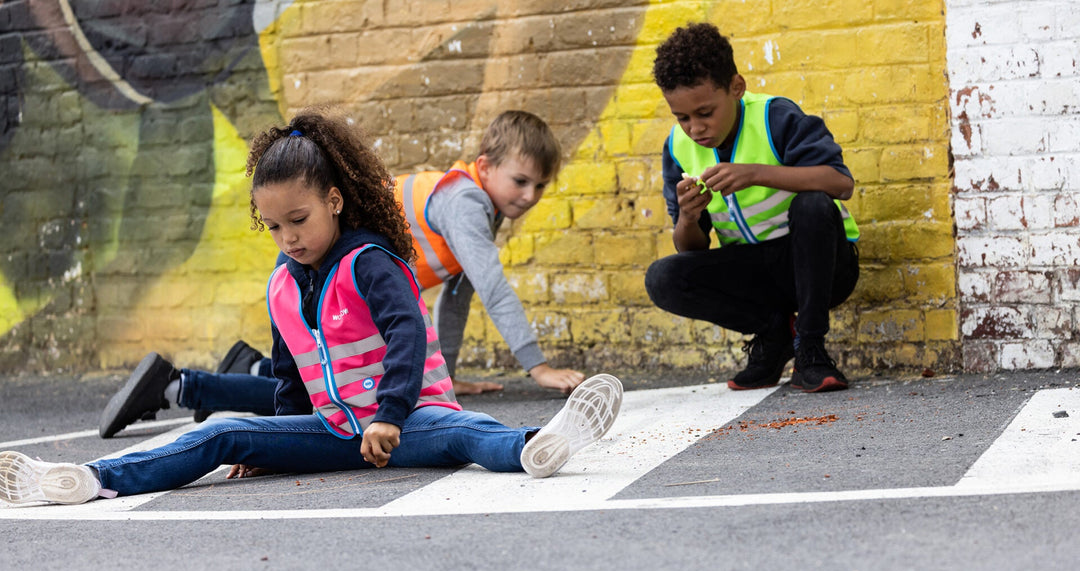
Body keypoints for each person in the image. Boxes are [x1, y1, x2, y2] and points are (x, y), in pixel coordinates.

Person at [1, 107, 623, 506]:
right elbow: (289, 373)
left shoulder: (370, 261)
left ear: (333, 199)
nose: (288, 238)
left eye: (298, 220)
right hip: (334, 431)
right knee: (223, 432)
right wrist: (273, 443)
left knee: (463, 433)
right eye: (272, 227)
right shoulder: (281, 282)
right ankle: (90, 478)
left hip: (405, 422)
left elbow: (409, 335)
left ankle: (536, 445)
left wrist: (388, 414)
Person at [99, 110, 585, 438]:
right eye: (521, 180)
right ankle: (181, 385)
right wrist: (537, 367)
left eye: (541, 186)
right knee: (319, 388)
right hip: (320, 267)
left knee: (327, 378)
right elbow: (492, 287)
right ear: (485, 167)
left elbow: (455, 298)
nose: (530, 194)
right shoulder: (463, 203)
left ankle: (239, 370)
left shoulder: (476, 206)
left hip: (339, 286)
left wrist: (445, 374)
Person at [644, 23, 860, 393]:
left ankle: (811, 349)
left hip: (823, 267)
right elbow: (691, 249)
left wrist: (757, 174)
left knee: (813, 205)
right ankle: (774, 333)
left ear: (736, 88)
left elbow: (841, 183)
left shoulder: (775, 117)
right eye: (682, 117)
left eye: (705, 112)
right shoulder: (678, 147)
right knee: (663, 277)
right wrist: (689, 217)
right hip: (755, 272)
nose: (695, 128)